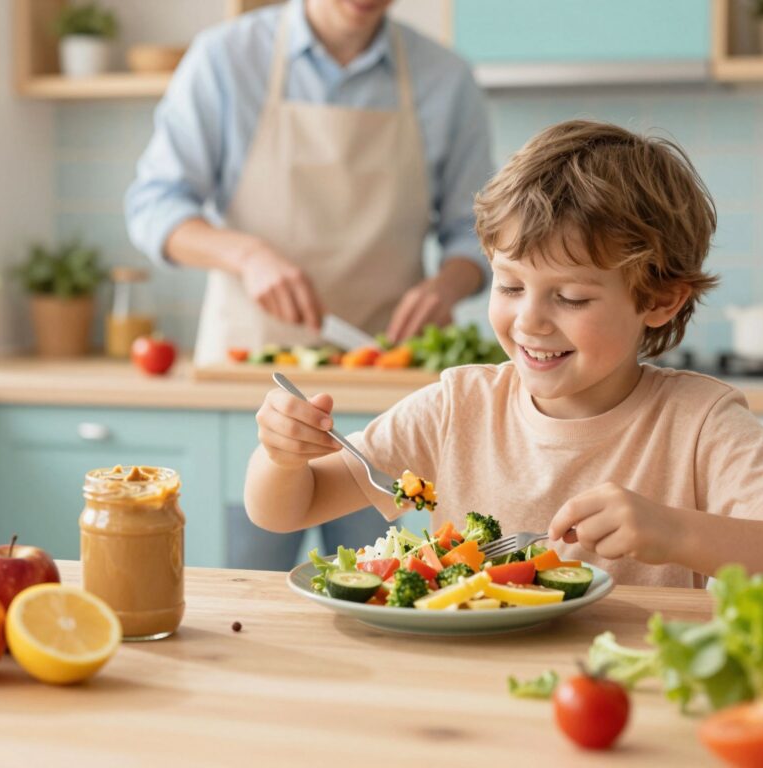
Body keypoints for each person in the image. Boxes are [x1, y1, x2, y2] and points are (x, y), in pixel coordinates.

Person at [244, 119, 763, 587]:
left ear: (660, 301)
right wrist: (280, 456)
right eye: (510, 286)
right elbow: (286, 510)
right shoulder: (457, 409)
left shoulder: (698, 423)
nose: (529, 320)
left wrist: (675, 532)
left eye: (569, 296)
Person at [125, 0, 492, 570]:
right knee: (242, 594)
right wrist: (245, 254)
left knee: (378, 585)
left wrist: (447, 284)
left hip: (385, 393)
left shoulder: (446, 78)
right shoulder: (225, 59)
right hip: (250, 379)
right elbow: (153, 207)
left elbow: (474, 235)